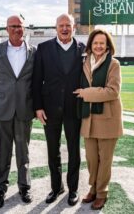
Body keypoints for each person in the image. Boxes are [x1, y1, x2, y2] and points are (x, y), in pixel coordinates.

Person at [32, 13, 85, 206]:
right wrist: (37, 107)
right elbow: (37, 80)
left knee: (74, 150)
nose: (64, 28)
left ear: (74, 27)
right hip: (50, 109)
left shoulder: (83, 49)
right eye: (61, 25)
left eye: (68, 25)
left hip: (74, 109)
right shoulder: (43, 48)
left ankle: (73, 189)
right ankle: (56, 187)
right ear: (55, 27)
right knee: (52, 150)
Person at [0, 15, 36, 209]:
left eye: (20, 26)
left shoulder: (34, 52)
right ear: (6, 29)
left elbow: (36, 81)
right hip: (3, 110)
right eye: (13, 26)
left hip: (24, 110)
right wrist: (1, 97)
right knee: (2, 152)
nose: (17, 29)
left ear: (24, 29)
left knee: (24, 152)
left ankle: (24, 187)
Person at [73, 28, 123, 210]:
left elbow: (112, 92)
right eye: (95, 43)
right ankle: (93, 188)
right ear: (90, 45)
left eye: (102, 43)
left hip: (108, 118)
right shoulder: (85, 61)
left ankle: (101, 192)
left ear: (108, 45)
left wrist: (86, 93)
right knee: (92, 159)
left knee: (105, 160)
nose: (99, 46)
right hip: (88, 118)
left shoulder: (114, 64)